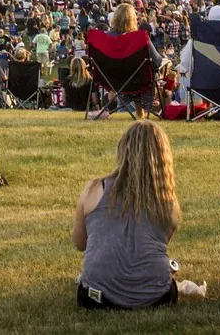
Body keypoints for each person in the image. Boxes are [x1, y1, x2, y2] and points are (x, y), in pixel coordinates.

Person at [72, 120, 180, 309]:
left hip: (95, 298)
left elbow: (80, 243)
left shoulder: (94, 189)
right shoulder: (168, 203)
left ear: (123, 150)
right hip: (157, 297)